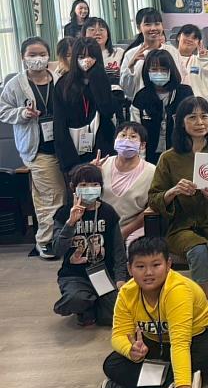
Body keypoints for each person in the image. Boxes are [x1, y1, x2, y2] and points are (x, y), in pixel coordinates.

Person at [148, 97, 208, 327]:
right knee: (198, 251)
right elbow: (154, 197)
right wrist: (173, 192)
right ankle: (207, 300)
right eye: (192, 117)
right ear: (181, 122)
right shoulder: (168, 158)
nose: (199, 122)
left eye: (204, 116)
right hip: (184, 225)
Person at [99, 237, 208, 388]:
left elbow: (180, 343)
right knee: (112, 364)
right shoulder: (127, 293)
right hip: (156, 341)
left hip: (196, 338)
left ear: (168, 264)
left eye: (156, 265)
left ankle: (133, 385)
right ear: (129, 268)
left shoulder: (178, 290)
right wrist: (130, 349)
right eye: (140, 266)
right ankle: (169, 387)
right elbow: (118, 334)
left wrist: (182, 387)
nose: (148, 273)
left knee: (205, 360)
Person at [0, 37, 66, 258]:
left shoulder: (58, 79)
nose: (38, 59)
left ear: (49, 56)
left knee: (56, 194)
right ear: (23, 57)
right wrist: (22, 113)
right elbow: (3, 111)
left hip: (62, 146)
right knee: (52, 196)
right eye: (32, 55)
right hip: (37, 149)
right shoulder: (15, 84)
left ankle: (60, 237)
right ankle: (46, 241)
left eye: (42, 54)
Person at [52, 163, 127, 325]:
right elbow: (57, 250)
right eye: (83, 185)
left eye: (94, 184)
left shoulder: (108, 212)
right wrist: (70, 223)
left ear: (101, 187)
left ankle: (94, 304)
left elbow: (119, 250)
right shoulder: (63, 213)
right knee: (75, 299)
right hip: (75, 275)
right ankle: (86, 305)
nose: (89, 189)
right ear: (73, 188)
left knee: (119, 315)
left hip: (104, 274)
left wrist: (120, 278)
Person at [54, 37, 120, 173]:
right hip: (74, 145)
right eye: (81, 57)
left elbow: (108, 110)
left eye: (91, 56)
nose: (86, 60)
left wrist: (97, 79)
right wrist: (68, 162)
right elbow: (59, 123)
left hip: (103, 144)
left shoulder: (104, 79)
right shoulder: (63, 84)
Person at [130, 50, 194, 164]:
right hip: (149, 154)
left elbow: (191, 126)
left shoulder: (185, 93)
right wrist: (141, 162)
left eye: (163, 69)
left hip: (180, 153)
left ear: (171, 71)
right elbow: (136, 131)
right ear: (147, 71)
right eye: (154, 69)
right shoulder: (141, 97)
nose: (159, 73)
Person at [100, 122, 156, 248]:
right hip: (100, 226)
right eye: (123, 135)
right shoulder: (102, 164)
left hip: (134, 228)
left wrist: (124, 232)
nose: (127, 140)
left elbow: (151, 209)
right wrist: (90, 171)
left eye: (133, 136)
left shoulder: (152, 172)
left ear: (142, 145)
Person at [120, 8, 187, 101]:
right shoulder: (131, 54)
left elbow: (181, 79)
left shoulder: (172, 51)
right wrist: (130, 67)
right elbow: (127, 91)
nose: (153, 28)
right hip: (142, 104)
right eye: (148, 24)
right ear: (139, 28)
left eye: (157, 24)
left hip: (171, 103)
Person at [175, 24, 208, 106]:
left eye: (194, 38)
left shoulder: (202, 59)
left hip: (199, 106)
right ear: (178, 37)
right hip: (176, 105)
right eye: (187, 35)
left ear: (199, 43)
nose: (190, 39)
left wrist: (205, 60)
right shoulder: (169, 57)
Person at [82, 17, 125, 96]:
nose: (97, 33)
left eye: (101, 29)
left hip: (116, 95)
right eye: (92, 30)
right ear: (84, 35)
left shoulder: (119, 53)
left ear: (108, 34)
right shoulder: (80, 57)